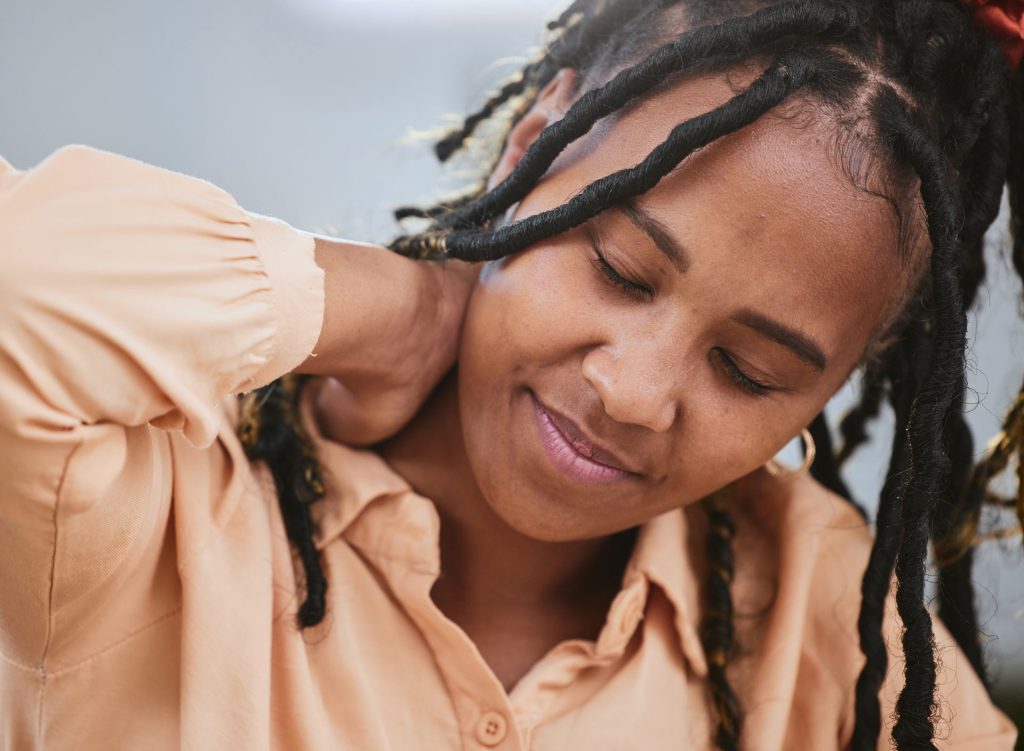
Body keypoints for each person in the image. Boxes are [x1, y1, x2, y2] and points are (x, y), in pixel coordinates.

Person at [1, 0, 1021, 748]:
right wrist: (393, 311)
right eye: (617, 269)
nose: (631, 390)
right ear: (531, 147)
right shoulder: (164, 505)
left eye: (748, 371)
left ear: (849, 373)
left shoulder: (827, 626)